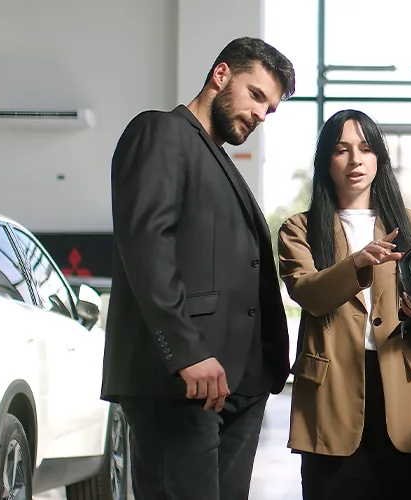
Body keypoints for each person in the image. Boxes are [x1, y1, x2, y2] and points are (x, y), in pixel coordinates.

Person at [102, 37, 295, 500]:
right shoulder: (160, 132)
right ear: (221, 74)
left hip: (237, 386)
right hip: (182, 381)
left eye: (269, 109)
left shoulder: (218, 159)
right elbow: (147, 244)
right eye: (256, 95)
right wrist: (186, 351)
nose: (260, 114)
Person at [277, 109, 411, 499]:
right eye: (342, 150)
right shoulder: (299, 229)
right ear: (326, 161)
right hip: (332, 393)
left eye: (366, 148)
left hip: (403, 391)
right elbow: (308, 293)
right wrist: (356, 263)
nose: (355, 159)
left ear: (379, 159)